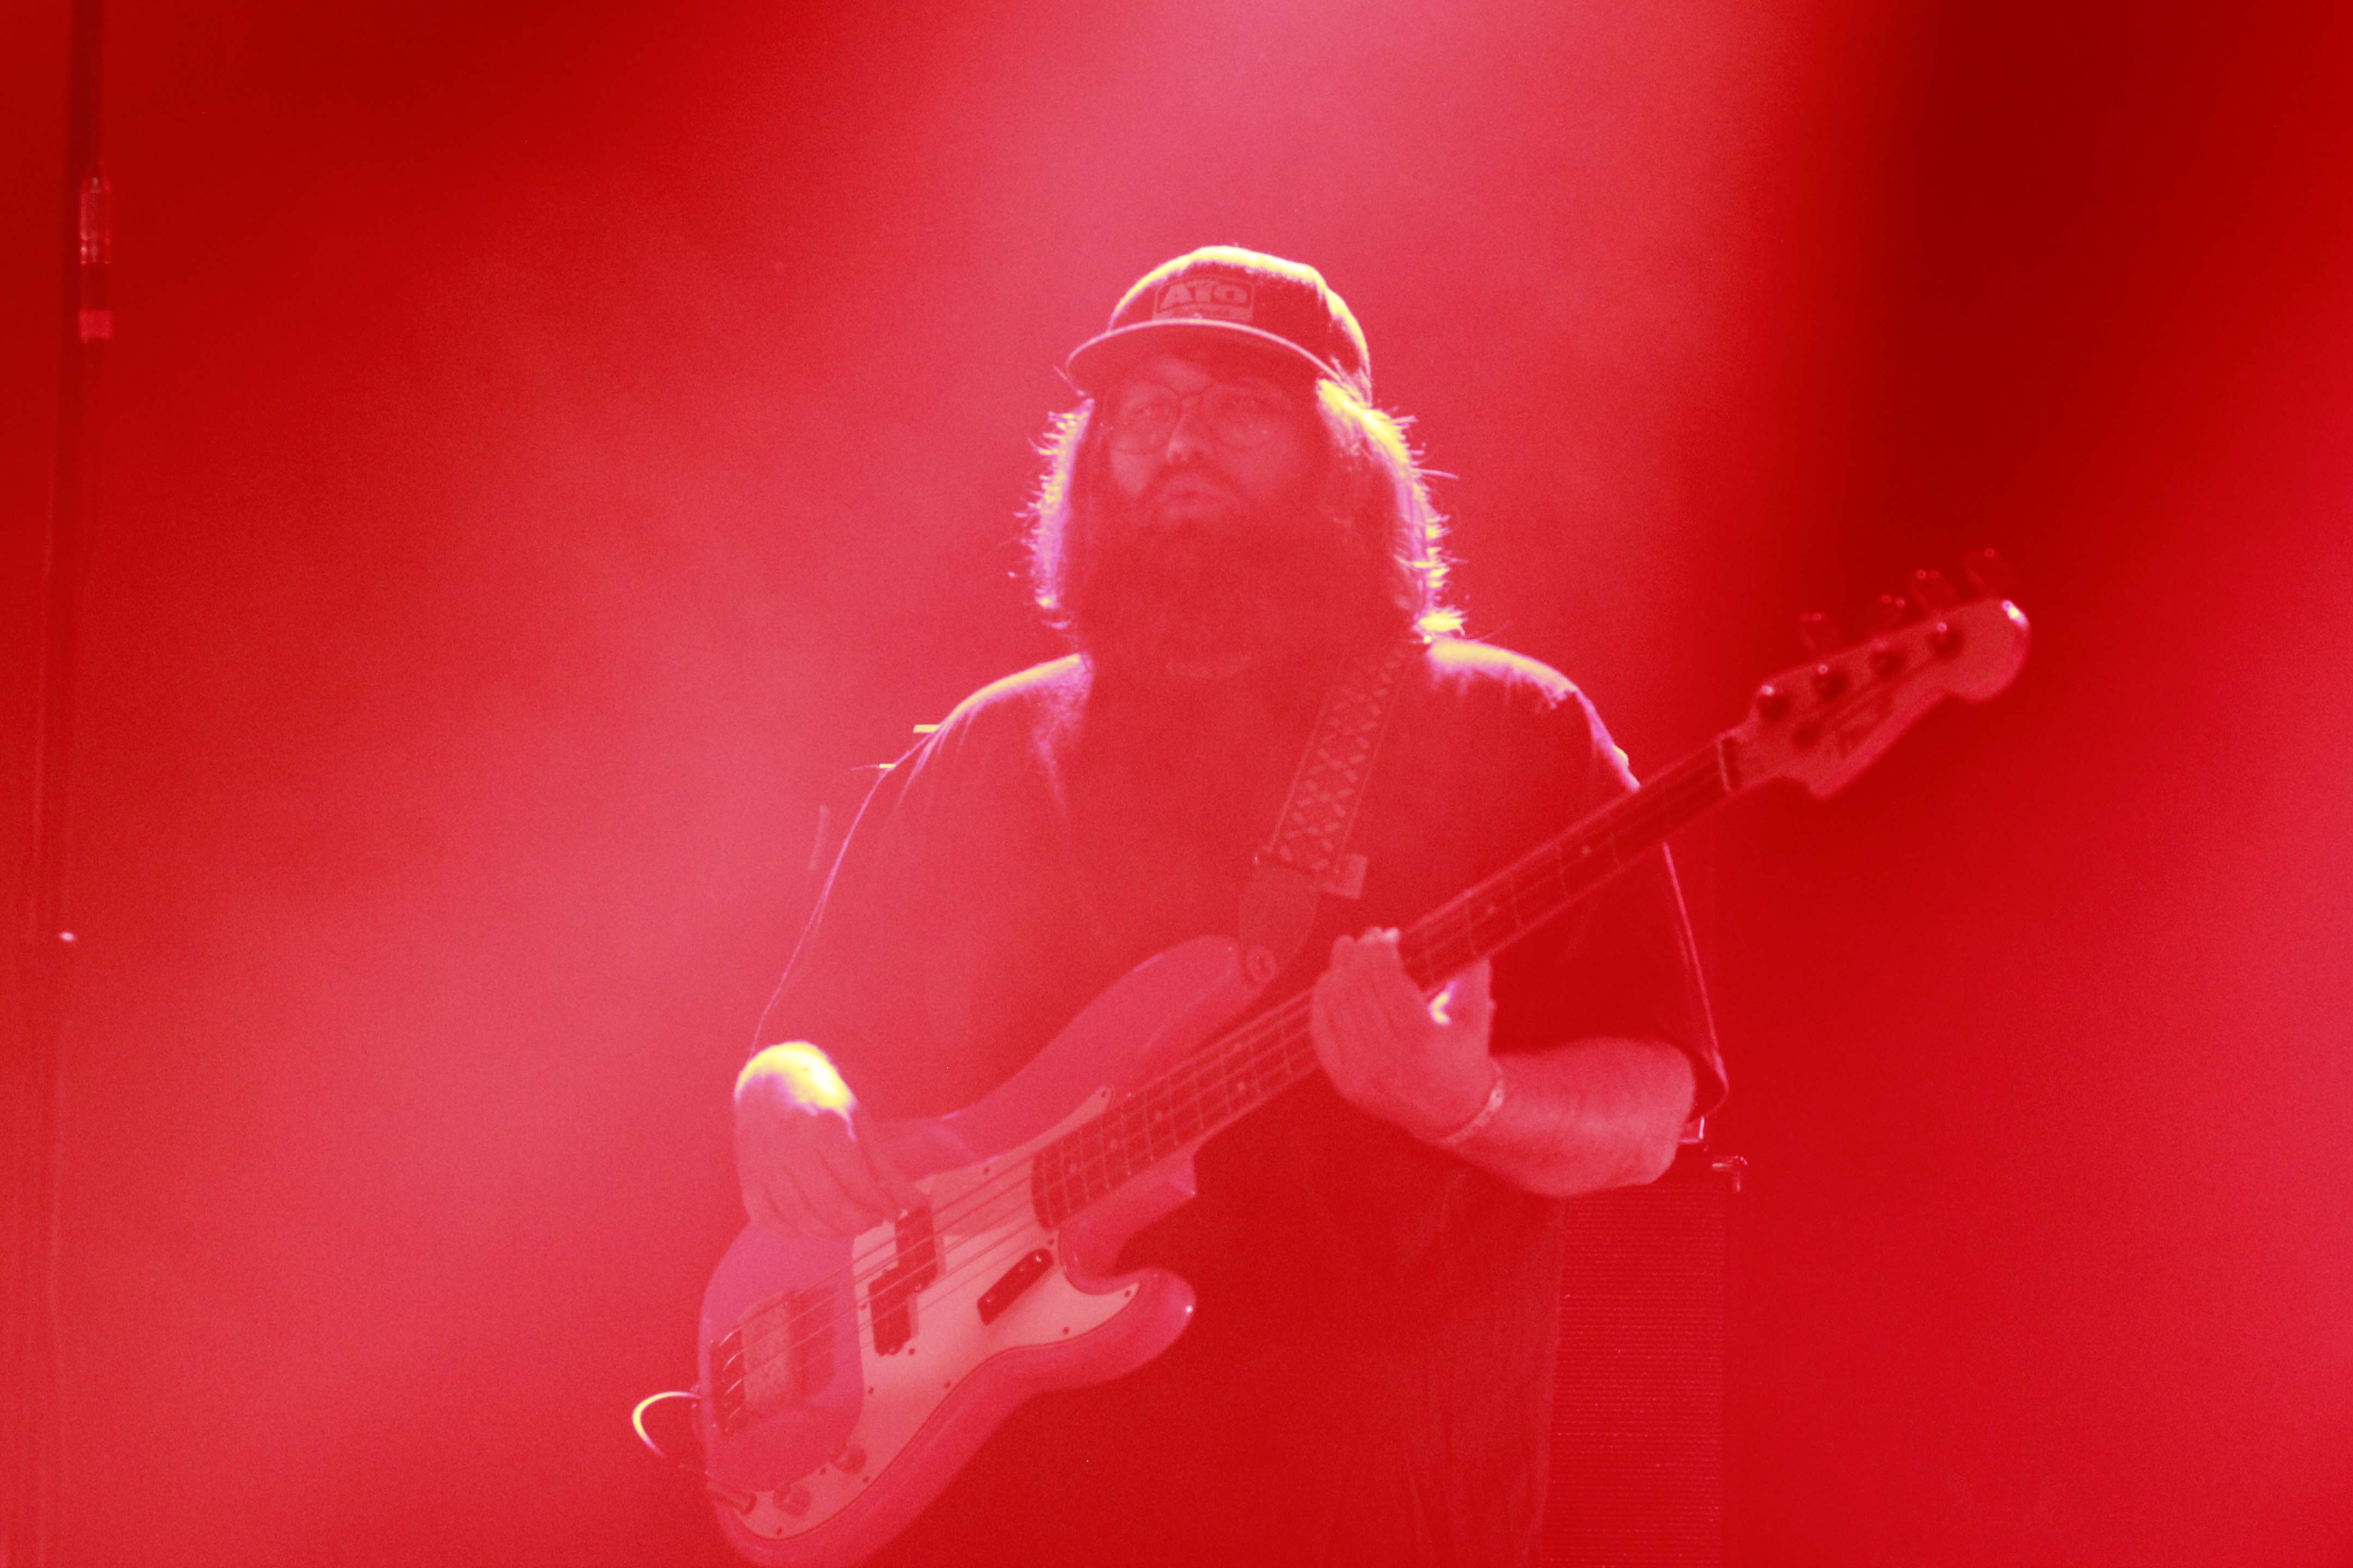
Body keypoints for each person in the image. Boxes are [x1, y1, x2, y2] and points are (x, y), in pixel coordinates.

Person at [735, 246, 1725, 1567]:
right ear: (1093, 470)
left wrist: (1465, 1102)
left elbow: (1655, 1106)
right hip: (985, 1495)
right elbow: (805, 1039)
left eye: (1242, 410)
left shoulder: (1506, 727)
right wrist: (781, 1100)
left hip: (1353, 1498)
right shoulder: (986, 745)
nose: (1181, 444)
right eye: (1144, 415)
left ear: (1349, 467)